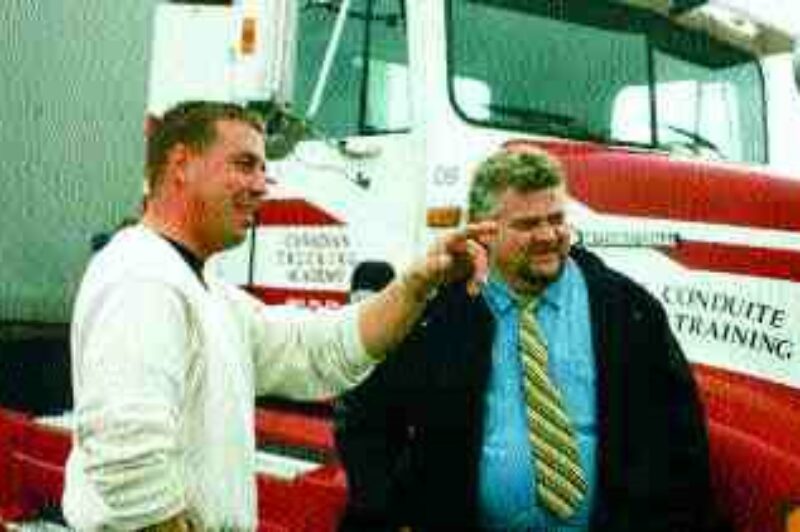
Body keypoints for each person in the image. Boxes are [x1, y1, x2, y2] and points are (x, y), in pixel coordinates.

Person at [61, 100, 493, 531]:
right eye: (244, 165)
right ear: (181, 164)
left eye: (262, 169)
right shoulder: (143, 278)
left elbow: (318, 350)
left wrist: (416, 285)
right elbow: (129, 455)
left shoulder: (205, 290)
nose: (262, 186)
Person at [335, 147, 723, 531]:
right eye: (527, 224)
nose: (548, 235)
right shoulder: (435, 314)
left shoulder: (628, 311)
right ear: (484, 232)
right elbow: (365, 418)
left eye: (557, 219)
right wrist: (389, 513)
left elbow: (682, 442)